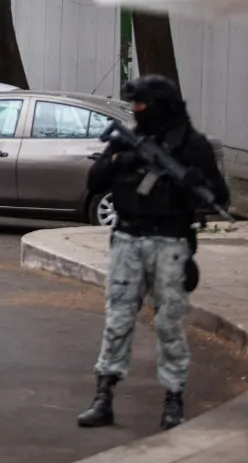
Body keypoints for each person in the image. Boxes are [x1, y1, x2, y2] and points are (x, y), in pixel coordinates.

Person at [78, 74, 228, 431]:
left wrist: (195, 183)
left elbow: (219, 197)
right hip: (127, 239)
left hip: (170, 244)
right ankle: (104, 395)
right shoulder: (127, 140)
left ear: (161, 106)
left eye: (142, 104)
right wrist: (119, 161)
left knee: (169, 323)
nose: (136, 110)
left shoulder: (193, 145)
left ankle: (173, 398)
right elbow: (94, 181)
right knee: (118, 319)